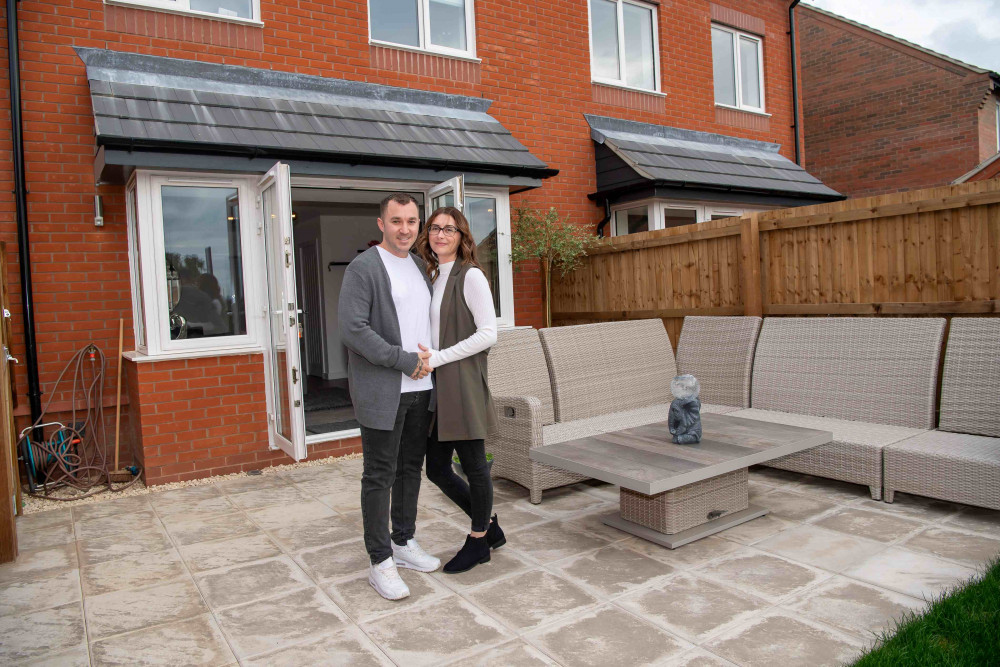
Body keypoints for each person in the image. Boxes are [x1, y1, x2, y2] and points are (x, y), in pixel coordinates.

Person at [338, 192, 441, 601]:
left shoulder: (419, 265)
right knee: (379, 474)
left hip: (422, 389)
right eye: (396, 221)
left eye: (412, 221)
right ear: (381, 223)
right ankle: (379, 560)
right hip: (385, 390)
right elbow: (353, 330)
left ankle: (403, 542)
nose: (405, 229)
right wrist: (402, 360)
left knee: (409, 470)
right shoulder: (364, 268)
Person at [416, 206, 505, 574]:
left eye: (449, 229)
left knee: (473, 466)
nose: (441, 235)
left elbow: (489, 334)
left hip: (462, 381)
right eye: (435, 229)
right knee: (437, 469)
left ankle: (477, 541)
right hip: (438, 384)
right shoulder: (434, 276)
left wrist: (438, 358)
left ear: (462, 236)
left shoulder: (470, 276)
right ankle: (489, 527)